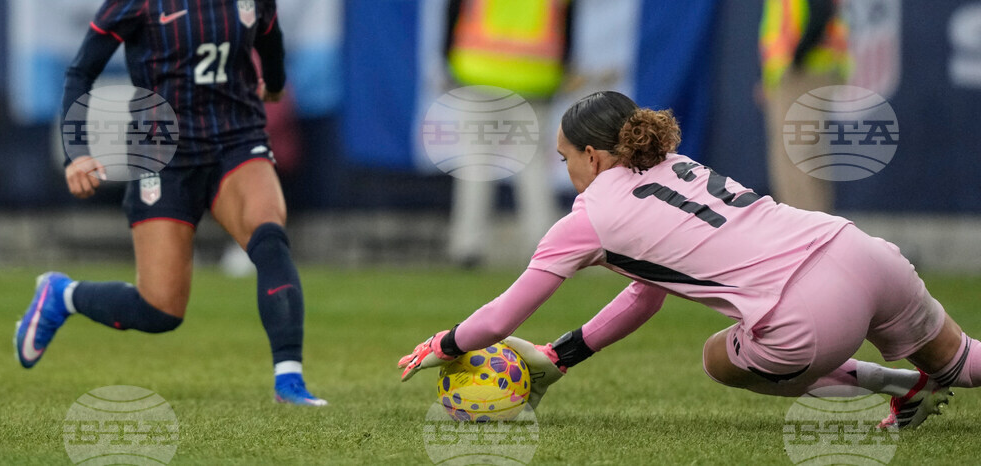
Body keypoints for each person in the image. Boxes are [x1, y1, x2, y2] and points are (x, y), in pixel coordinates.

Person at [400, 91, 981, 430]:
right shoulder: (676, 162)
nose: (566, 170)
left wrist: (446, 343)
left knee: (716, 358)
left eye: (565, 157)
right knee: (965, 360)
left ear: (596, 157)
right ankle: (924, 382)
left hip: (808, 313)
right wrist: (564, 354)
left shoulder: (589, 217)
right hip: (860, 252)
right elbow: (647, 290)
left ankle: (898, 384)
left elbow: (501, 321)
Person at [13, 0, 326, 407]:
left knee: (269, 236)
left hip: (237, 138)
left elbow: (269, 40)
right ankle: (60, 295)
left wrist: (274, 85)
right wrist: (78, 153)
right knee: (160, 312)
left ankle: (290, 381)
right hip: (165, 151)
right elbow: (79, 73)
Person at [443, 0, 578, 268]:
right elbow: (569, 19)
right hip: (536, 75)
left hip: (479, 70)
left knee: (474, 162)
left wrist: (448, 60)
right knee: (533, 167)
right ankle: (545, 251)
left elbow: (452, 10)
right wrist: (561, 68)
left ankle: (468, 247)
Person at [758, 0, 850, 213]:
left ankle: (811, 245)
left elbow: (821, 9)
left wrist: (795, 58)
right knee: (790, 162)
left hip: (808, 71)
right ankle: (803, 244)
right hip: (791, 74)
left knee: (801, 162)